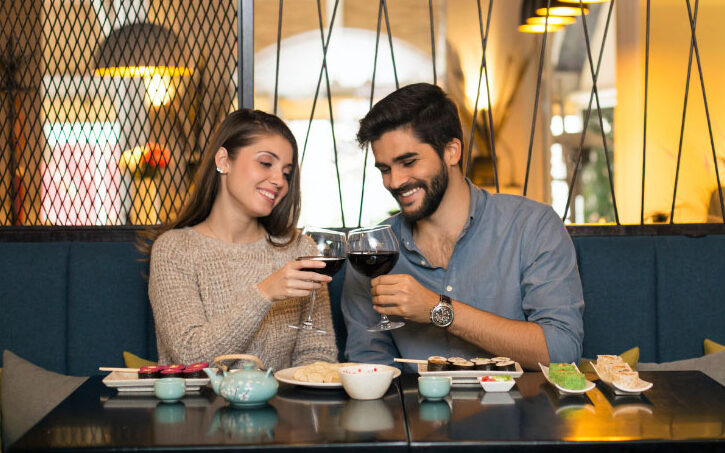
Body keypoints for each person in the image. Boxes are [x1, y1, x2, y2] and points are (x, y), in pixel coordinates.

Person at [341, 83, 584, 370]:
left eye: (408, 162)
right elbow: (368, 364)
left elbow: (562, 352)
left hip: (518, 412)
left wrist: (437, 309)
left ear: (452, 151)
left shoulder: (532, 226)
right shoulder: (374, 249)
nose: (394, 181)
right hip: (415, 411)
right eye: (384, 169)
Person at [145, 109, 338, 370]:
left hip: (283, 408)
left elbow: (318, 355)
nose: (279, 180)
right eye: (266, 163)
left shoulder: (300, 249)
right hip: (198, 410)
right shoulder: (174, 249)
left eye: (286, 172)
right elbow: (190, 355)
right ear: (224, 161)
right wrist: (264, 293)